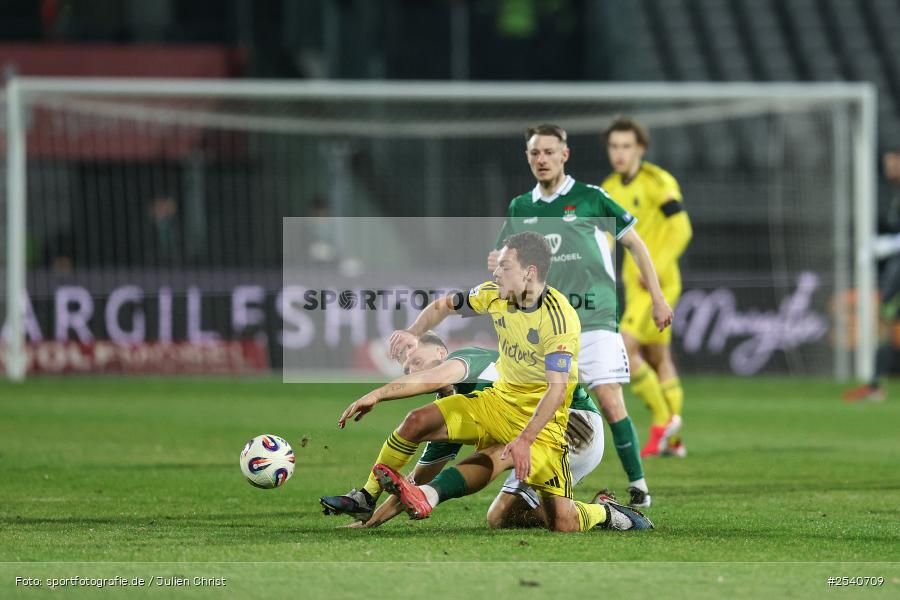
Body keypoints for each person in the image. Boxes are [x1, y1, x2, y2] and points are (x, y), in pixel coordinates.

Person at [354, 232, 652, 531]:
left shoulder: (559, 318)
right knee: (419, 421)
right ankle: (371, 496)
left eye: (504, 266)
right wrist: (413, 333)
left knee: (562, 520)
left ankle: (605, 513)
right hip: (501, 403)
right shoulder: (494, 293)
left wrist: (525, 439)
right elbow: (444, 305)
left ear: (529, 272)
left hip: (558, 425)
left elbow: (557, 388)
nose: (496, 272)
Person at [488, 124, 672, 507]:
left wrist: (657, 297)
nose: (542, 159)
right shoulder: (520, 208)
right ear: (528, 157)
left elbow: (636, 244)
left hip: (595, 320)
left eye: (549, 152)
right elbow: (504, 263)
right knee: (534, 407)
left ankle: (638, 487)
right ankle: (535, 481)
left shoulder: (591, 199)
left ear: (564, 155)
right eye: (535, 153)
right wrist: (497, 264)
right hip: (547, 326)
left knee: (609, 399)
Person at [320, 332, 605, 529]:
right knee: (504, 517)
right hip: (527, 439)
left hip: (573, 423)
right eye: (408, 370)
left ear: (441, 352)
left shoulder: (467, 359)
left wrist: (379, 393)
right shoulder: (451, 408)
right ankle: (604, 512)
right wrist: (373, 522)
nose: (412, 373)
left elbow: (434, 377)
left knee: (499, 449)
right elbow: (414, 483)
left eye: (416, 362)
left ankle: (601, 512)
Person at [600, 117, 693, 457]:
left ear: (640, 148)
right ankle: (675, 439)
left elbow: (682, 229)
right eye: (614, 146)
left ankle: (662, 422)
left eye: (626, 146)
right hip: (632, 283)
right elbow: (605, 239)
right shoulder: (609, 187)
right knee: (658, 357)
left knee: (625, 345)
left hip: (658, 281)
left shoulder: (658, 181)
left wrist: (659, 264)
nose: (619, 153)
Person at [844, 150, 900, 402]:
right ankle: (875, 384)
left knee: (889, 325)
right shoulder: (894, 195)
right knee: (889, 325)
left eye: (893, 162)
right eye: (886, 163)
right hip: (895, 272)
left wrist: (887, 245)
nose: (888, 168)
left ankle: (875, 384)